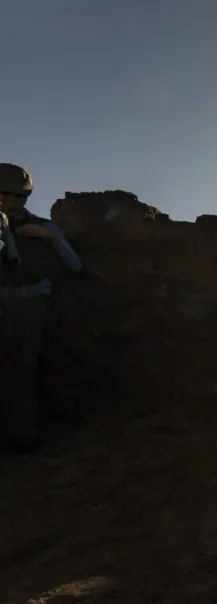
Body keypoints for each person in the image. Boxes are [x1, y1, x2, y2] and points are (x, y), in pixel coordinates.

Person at [0, 162, 85, 452]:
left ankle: (24, 435)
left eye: (9, 194)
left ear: (22, 197)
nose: (3, 199)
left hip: (28, 304)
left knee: (21, 369)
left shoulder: (42, 227)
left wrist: (52, 238)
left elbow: (75, 266)